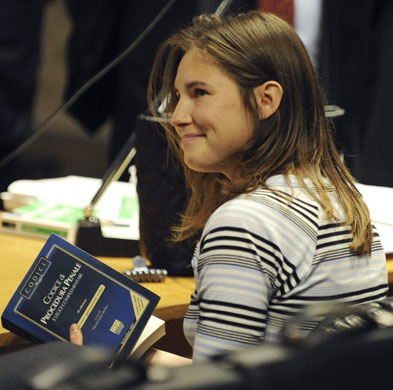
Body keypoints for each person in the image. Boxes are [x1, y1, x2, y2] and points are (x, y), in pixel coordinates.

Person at [70, 10, 388, 366]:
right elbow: (233, 373)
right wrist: (138, 356)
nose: (176, 116)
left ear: (266, 100)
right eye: (177, 96)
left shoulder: (244, 224)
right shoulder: (335, 194)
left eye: (199, 93)